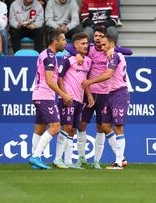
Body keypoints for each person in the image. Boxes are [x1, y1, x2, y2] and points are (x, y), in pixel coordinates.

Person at [65, 25, 132, 169]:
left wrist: (116, 48)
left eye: (101, 37)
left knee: (102, 127)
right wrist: (75, 54)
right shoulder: (90, 49)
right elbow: (69, 47)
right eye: (95, 36)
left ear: (106, 39)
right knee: (81, 125)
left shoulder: (112, 51)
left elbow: (130, 51)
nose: (98, 39)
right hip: (89, 92)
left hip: (106, 93)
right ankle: (81, 158)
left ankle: (98, 160)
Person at [81, 34, 130, 170]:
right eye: (100, 45)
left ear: (112, 44)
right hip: (110, 93)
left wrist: (89, 82)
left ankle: (119, 162)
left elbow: (108, 74)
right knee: (104, 125)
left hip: (119, 93)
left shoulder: (114, 56)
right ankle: (121, 158)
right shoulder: (112, 55)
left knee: (118, 127)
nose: (102, 48)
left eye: (105, 45)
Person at [29, 29, 71, 169]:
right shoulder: (50, 56)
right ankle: (35, 157)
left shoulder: (44, 54)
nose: (65, 42)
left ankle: (36, 160)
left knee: (39, 129)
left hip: (39, 95)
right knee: (55, 127)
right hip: (45, 96)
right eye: (63, 39)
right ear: (55, 41)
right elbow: (49, 80)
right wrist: (63, 94)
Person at [53, 32, 94, 169]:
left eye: (86, 43)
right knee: (67, 127)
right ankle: (58, 158)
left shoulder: (88, 61)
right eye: (82, 43)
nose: (85, 46)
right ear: (74, 46)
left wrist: (88, 95)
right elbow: (59, 77)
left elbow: (85, 81)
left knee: (73, 130)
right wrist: (64, 94)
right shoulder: (68, 59)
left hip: (79, 99)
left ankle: (69, 161)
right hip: (68, 98)